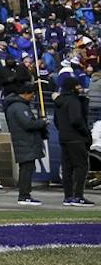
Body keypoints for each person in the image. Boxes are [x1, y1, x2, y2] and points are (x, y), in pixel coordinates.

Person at [4, 79, 48, 204]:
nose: (33, 97)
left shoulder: (16, 106)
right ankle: (24, 195)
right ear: (26, 93)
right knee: (26, 170)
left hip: (23, 141)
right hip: (25, 142)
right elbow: (28, 124)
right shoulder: (19, 107)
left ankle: (24, 194)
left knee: (26, 169)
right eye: (32, 94)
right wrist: (42, 123)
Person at [49, 74, 90, 206]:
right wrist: (85, 133)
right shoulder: (73, 101)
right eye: (77, 85)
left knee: (67, 168)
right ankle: (78, 196)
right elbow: (76, 120)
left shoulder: (59, 102)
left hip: (64, 138)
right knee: (81, 166)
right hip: (76, 138)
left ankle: (68, 197)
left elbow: (56, 121)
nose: (80, 87)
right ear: (72, 87)